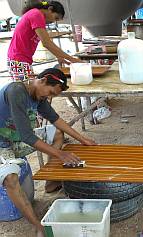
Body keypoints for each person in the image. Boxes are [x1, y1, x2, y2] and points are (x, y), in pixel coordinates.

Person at [0, 68, 95, 237]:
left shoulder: (39, 95)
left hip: (16, 137)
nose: (48, 97)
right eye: (50, 92)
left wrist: (82, 139)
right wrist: (60, 154)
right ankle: (38, 226)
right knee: (11, 180)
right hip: (3, 143)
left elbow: (56, 119)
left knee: (57, 133)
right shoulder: (16, 91)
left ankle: (51, 182)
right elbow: (27, 136)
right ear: (42, 80)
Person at [7, 1, 82, 81]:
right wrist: (72, 59)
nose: (53, 21)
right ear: (50, 9)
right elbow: (46, 42)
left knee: (27, 87)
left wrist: (59, 56)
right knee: (27, 89)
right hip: (19, 60)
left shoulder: (35, 14)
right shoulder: (37, 15)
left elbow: (46, 38)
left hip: (18, 59)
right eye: (55, 18)